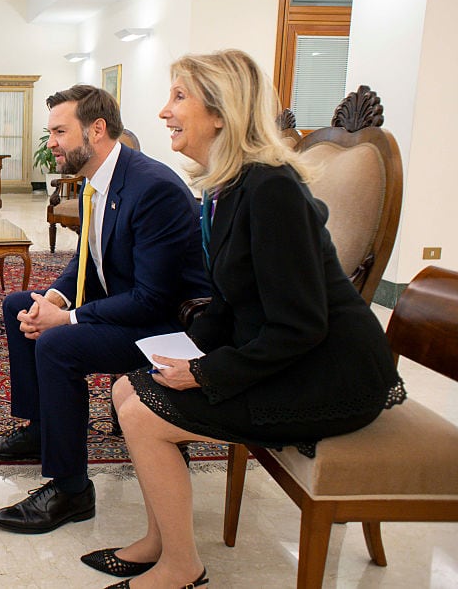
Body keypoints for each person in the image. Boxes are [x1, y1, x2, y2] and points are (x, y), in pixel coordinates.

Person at [81, 50, 406, 589]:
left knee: (143, 416)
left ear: (221, 112)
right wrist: (186, 349)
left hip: (329, 372)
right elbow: (231, 302)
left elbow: (301, 325)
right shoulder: (230, 186)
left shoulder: (271, 188)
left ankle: (182, 567)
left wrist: (208, 372)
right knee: (125, 391)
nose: (163, 111)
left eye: (179, 96)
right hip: (290, 352)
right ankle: (159, 541)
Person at [0, 85, 209, 534]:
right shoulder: (98, 181)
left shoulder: (152, 188)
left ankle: (71, 487)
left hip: (168, 325)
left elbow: (153, 299)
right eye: (51, 132)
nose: (52, 143)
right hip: (131, 303)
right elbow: (87, 259)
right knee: (19, 305)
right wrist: (56, 298)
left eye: (60, 131)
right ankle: (41, 429)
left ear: (96, 130)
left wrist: (68, 318)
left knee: (59, 343)